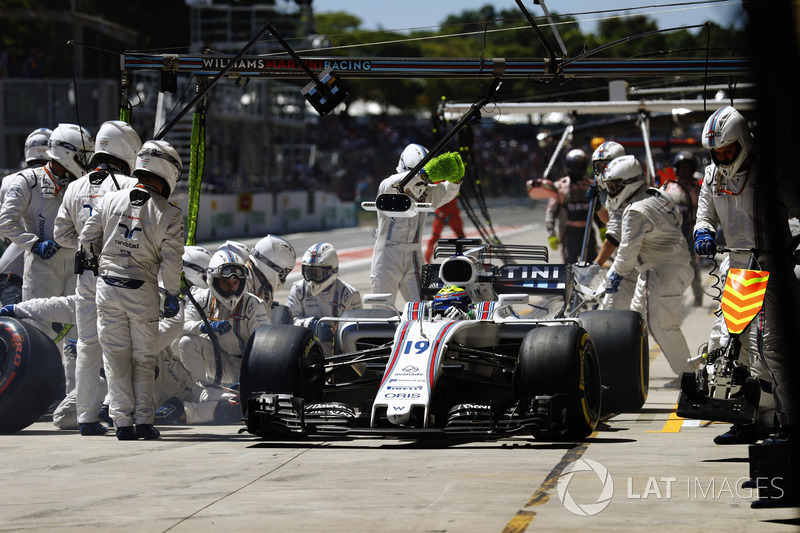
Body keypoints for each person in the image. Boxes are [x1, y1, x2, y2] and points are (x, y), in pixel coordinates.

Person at [694, 105, 800, 445]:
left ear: (744, 142)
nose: (723, 157)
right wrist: (703, 233)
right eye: (717, 152)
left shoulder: (771, 173)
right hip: (737, 270)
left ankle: (790, 423)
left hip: (772, 269)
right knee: (729, 349)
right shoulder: (712, 176)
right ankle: (747, 419)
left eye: (728, 150)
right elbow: (703, 216)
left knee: (769, 349)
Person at [79, 139, 184, 441]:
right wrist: (173, 294)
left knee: (115, 357)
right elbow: (172, 264)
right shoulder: (170, 213)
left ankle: (121, 423)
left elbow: (87, 239)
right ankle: (143, 422)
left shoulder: (110, 199)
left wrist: (104, 261)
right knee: (143, 357)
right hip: (141, 291)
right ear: (169, 173)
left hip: (107, 287)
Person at [54, 120, 141, 436]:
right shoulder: (131, 186)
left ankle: (86, 418)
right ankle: (123, 419)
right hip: (120, 277)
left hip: (85, 278)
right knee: (122, 347)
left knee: (88, 346)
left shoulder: (75, 186)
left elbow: (60, 234)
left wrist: (83, 242)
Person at [599, 155, 695, 382]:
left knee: (662, 327)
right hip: (670, 267)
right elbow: (678, 219)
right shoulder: (658, 194)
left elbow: (626, 253)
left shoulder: (634, 211)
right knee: (634, 321)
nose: (611, 191)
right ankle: (628, 372)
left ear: (627, 183)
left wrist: (614, 277)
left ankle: (691, 377)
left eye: (614, 186)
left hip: (662, 272)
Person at [0, 124, 93, 314]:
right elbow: (6, 220)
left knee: (77, 330)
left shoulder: (84, 184)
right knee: (40, 328)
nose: (86, 162)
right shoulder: (27, 180)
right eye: (83, 156)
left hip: (77, 265)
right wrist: (34, 244)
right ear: (67, 153)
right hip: (40, 265)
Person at [370, 143, 462, 304]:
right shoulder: (389, 187)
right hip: (386, 257)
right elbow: (393, 182)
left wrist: (456, 181)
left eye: (426, 180)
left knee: (423, 310)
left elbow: (446, 193)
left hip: (414, 255)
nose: (421, 186)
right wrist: (422, 175)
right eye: (419, 178)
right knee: (381, 312)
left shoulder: (426, 192)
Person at [179, 248, 270, 389]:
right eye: (226, 283)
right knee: (186, 342)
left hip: (248, 368)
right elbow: (180, 325)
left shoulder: (254, 304)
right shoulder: (201, 298)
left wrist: (251, 378)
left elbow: (264, 346)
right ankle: (199, 392)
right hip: (220, 361)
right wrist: (204, 326)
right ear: (213, 280)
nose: (232, 288)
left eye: (236, 282)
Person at [0, 127, 52, 306]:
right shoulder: (59, 182)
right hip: (33, 264)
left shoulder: (9, 181)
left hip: (14, 261)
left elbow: (6, 234)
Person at [587, 141, 638, 311]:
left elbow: (614, 236)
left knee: (609, 310)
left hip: (634, 264)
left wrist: (595, 265)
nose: (602, 172)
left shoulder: (627, 189)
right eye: (599, 167)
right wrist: (597, 207)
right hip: (625, 261)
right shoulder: (615, 188)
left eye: (606, 166)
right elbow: (612, 220)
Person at [287, 242, 362, 355]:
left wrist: (336, 334)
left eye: (317, 273)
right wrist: (312, 324)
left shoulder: (349, 294)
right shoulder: (298, 289)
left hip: (340, 355)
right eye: (308, 272)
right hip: (305, 350)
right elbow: (288, 323)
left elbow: (356, 332)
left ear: (332, 270)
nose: (311, 279)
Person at [662, 151, 704, 307]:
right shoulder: (668, 186)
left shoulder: (697, 188)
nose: (684, 170)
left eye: (687, 167)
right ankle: (670, 297)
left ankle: (698, 296)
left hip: (690, 233)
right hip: (671, 233)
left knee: (693, 267)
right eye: (682, 167)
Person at [545, 148, 596, 263]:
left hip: (588, 232)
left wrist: (603, 227)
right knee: (569, 268)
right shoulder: (560, 186)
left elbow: (596, 208)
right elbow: (550, 212)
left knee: (591, 267)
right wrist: (551, 233)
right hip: (568, 233)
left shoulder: (591, 185)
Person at [246, 234, 296, 309]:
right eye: (283, 273)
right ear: (272, 267)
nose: (283, 277)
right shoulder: (241, 282)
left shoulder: (263, 288)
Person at [424, 196, 465, 263]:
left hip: (451, 212)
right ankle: (427, 258)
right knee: (435, 236)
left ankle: (463, 256)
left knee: (461, 236)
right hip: (442, 212)